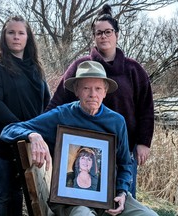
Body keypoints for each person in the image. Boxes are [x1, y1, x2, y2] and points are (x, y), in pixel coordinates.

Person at [0, 61, 158, 216]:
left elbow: (125, 163)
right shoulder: (62, 115)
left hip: (109, 196)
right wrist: (32, 135)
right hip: (70, 200)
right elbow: (9, 130)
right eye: (86, 88)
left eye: (98, 89)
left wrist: (122, 192)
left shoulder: (116, 121)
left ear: (105, 91)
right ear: (76, 90)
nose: (92, 94)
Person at [45, 4, 154, 199]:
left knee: (123, 197)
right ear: (94, 37)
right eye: (98, 33)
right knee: (88, 201)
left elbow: (146, 109)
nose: (103, 36)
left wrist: (143, 142)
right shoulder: (81, 67)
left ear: (117, 35)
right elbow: (58, 101)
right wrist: (47, 135)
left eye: (108, 32)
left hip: (124, 149)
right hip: (85, 147)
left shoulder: (133, 69)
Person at [0, 15, 50, 216]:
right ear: (4, 36)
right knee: (0, 197)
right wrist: (25, 131)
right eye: (11, 32)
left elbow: (47, 104)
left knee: (17, 194)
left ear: (28, 38)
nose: (16, 37)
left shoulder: (36, 69)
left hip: (24, 145)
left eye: (21, 33)